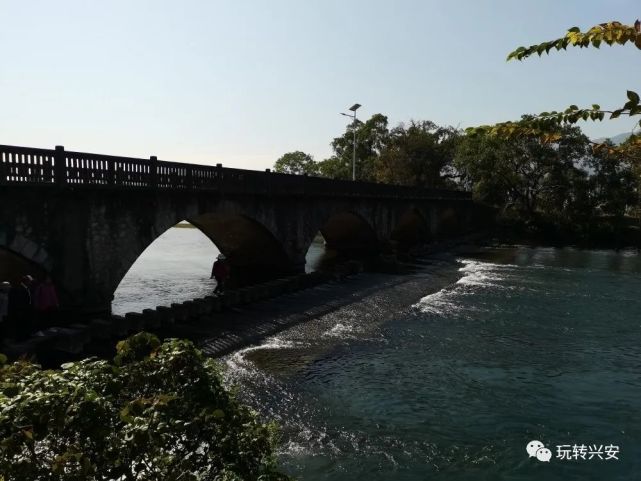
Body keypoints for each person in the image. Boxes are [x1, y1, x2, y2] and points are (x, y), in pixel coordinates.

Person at [8, 276, 33, 340]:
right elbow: (19, 301)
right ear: (26, 281)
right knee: (20, 324)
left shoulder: (26, 288)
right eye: (30, 281)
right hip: (21, 310)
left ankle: (24, 336)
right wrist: (20, 310)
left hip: (25, 310)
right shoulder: (20, 289)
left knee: (24, 323)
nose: (31, 283)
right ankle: (20, 338)